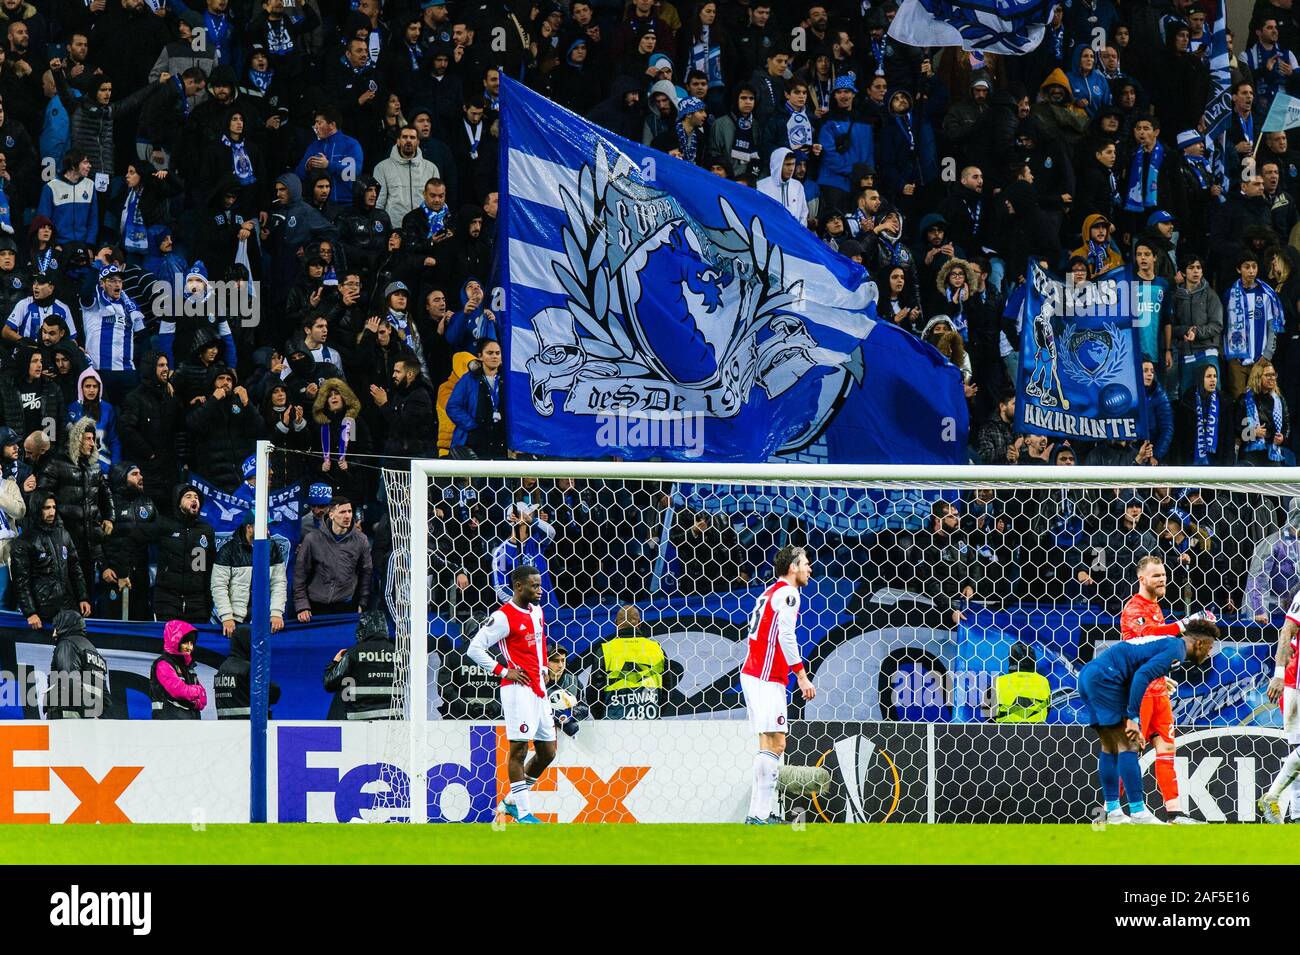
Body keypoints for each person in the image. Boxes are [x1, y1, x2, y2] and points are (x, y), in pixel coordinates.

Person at [1077, 617, 1218, 824]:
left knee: (1109, 747)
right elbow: (1141, 676)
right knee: (1129, 745)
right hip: (1107, 678)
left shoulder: (1168, 644)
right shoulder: (1176, 649)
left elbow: (1138, 665)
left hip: (1090, 676)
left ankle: (1114, 812)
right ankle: (1138, 812)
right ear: (1199, 643)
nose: (1210, 653)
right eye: (1210, 646)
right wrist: (1133, 718)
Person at [1120, 555, 1217, 823]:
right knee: (1129, 751)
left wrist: (1162, 675)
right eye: (1156, 576)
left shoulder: (1155, 607)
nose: (1162, 579)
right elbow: (1148, 637)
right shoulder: (1132, 609)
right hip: (1138, 694)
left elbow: (1154, 650)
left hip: (1158, 692)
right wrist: (1186, 623)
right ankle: (1113, 812)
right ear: (1142, 579)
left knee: (1166, 751)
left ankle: (1174, 814)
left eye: (1163, 575)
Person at [467, 563, 554, 824]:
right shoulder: (503, 616)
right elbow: (474, 649)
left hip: (538, 687)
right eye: (534, 586)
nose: (540, 590)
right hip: (517, 690)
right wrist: (504, 671)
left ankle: (513, 800)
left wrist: (543, 666)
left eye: (540, 585)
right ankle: (524, 813)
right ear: (518, 587)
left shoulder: (537, 611)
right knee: (518, 750)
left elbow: (539, 644)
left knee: (548, 751)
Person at [742, 544, 816, 825]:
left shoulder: (769, 592)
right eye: (805, 563)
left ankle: (758, 814)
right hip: (764, 677)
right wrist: (801, 674)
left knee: (769, 742)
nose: (809, 568)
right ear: (792, 567)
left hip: (758, 674)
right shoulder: (789, 593)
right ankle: (759, 814)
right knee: (777, 742)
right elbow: (786, 636)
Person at [10, 489, 89, 627]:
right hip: (42, 614)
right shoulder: (24, 542)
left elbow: (75, 568)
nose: (52, 512)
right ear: (36, 509)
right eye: (46, 508)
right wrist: (30, 612)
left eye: (53, 507)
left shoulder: (63, 535)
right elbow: (21, 581)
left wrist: (83, 597)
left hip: (68, 608)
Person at [292, 495, 371, 620]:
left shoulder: (361, 540)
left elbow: (366, 573)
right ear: (331, 515)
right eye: (342, 512)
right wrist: (302, 605)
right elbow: (300, 575)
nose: (347, 516)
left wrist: (363, 603)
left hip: (346, 605)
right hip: (315, 606)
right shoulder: (312, 539)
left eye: (350, 511)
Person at [212, 510, 287, 636]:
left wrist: (276, 613)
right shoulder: (228, 550)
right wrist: (226, 617)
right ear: (249, 528)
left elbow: (279, 583)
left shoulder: (273, 548)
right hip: (235, 621)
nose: (267, 530)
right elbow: (218, 586)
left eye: (267, 526)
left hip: (264, 619)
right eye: (263, 526)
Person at [1261, 587, 1300, 822]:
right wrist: (1278, 673)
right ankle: (1281, 803)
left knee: (1298, 754)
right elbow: (1286, 631)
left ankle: (1294, 814)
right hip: (1296, 683)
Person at [323, 609, 398, 720]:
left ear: (362, 629)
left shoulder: (354, 653)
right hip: (393, 723)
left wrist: (334, 662)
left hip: (359, 722)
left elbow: (329, 683)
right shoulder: (399, 653)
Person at [45, 608, 109, 719]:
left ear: (65, 626)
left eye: (56, 627)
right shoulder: (93, 651)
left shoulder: (67, 644)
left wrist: (86, 712)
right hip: (89, 718)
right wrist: (99, 716)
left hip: (68, 715)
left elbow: (69, 680)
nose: (53, 634)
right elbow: (105, 695)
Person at [150, 619, 207, 719]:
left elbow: (204, 699)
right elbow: (178, 691)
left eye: (192, 643)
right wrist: (197, 691)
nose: (190, 647)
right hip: (168, 723)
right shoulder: (163, 664)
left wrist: (194, 699)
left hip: (189, 723)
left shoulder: (188, 666)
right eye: (185, 643)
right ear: (175, 641)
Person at [988, 641, 1050, 723]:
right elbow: (1048, 708)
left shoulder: (998, 682)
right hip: (1038, 733)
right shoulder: (1044, 682)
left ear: (1011, 660)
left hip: (1004, 733)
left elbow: (987, 714)